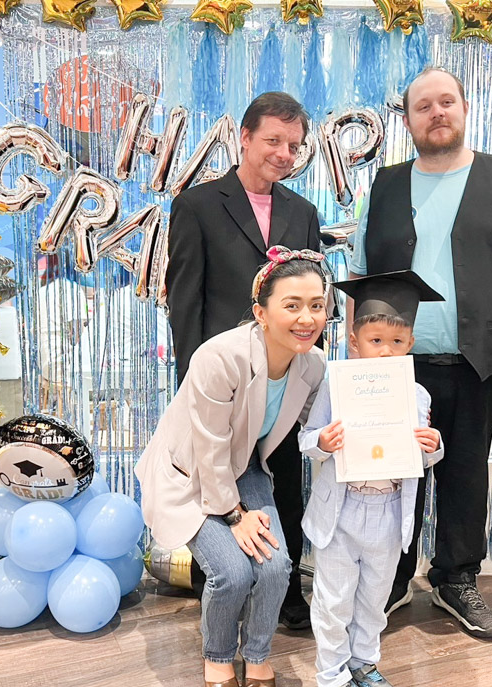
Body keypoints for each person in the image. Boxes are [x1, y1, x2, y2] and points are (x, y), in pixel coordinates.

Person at [349, 67, 492, 639]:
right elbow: (361, 277)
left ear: (465, 109)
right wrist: (357, 362)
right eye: (423, 106)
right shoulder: (384, 186)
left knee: (465, 474)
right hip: (395, 367)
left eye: (446, 102)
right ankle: (391, 579)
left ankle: (455, 579)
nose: (436, 112)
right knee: (393, 476)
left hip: (481, 362)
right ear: (408, 121)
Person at [135, 249, 328, 687]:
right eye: (292, 305)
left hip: (243, 467)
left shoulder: (313, 365)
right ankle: (218, 656)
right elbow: (209, 448)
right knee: (232, 572)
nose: (307, 318)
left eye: (317, 305)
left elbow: (315, 427)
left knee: (276, 568)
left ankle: (257, 655)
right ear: (261, 312)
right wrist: (236, 516)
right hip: (191, 473)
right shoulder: (219, 357)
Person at [166, 91, 322, 630]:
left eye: (294, 146)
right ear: (246, 138)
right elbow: (185, 302)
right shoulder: (197, 206)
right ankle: (221, 585)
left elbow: (309, 300)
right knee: (215, 482)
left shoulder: (303, 213)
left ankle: (287, 592)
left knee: (285, 485)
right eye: (274, 140)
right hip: (223, 384)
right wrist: (191, 383)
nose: (284, 153)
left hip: (281, 382)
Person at [299, 271, 444, 687]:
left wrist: (433, 445)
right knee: (334, 599)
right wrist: (323, 441)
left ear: (410, 345)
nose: (386, 350)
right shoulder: (335, 386)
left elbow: (424, 455)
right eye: (376, 340)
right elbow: (306, 440)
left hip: (389, 512)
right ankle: (331, 678)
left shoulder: (417, 395)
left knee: (374, 599)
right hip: (341, 513)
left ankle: (363, 662)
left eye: (397, 342)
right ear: (355, 342)